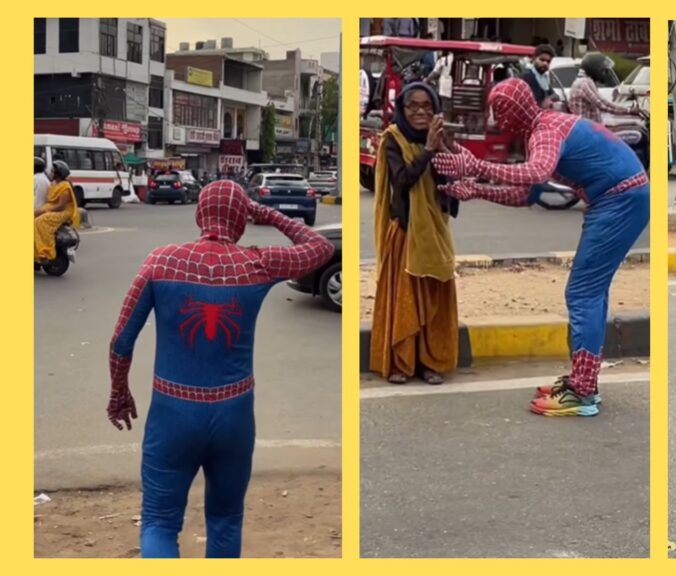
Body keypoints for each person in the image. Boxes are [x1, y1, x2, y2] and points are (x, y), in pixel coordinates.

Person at [106, 180, 333, 557]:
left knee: (160, 522)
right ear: (241, 220)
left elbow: (121, 341)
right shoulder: (258, 262)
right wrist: (266, 212)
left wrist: (118, 392)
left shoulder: (160, 261)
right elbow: (321, 248)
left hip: (172, 412)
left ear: (199, 214)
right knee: (226, 519)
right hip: (234, 415)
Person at [433, 78, 649, 416]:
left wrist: (475, 167)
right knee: (591, 291)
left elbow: (537, 171)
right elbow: (526, 194)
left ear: (519, 108)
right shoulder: (544, 127)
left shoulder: (545, 130)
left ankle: (582, 392)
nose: (498, 120)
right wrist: (476, 190)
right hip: (619, 198)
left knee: (582, 293)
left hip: (619, 200)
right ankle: (584, 380)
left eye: (502, 111)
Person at [370, 82, 460, 385]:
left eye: (427, 106)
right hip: (406, 233)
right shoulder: (392, 140)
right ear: (402, 110)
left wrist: (447, 149)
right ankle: (401, 362)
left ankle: (430, 363)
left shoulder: (441, 138)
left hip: (434, 232)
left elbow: (452, 186)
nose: (421, 112)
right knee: (406, 303)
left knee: (434, 302)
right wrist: (429, 150)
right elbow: (403, 180)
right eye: (414, 106)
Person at [34, 160, 80, 262]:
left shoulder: (65, 187)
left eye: (54, 171)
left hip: (63, 211)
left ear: (58, 173)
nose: (52, 172)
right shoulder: (54, 183)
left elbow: (61, 206)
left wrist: (46, 211)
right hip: (53, 207)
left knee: (40, 221)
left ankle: (46, 250)